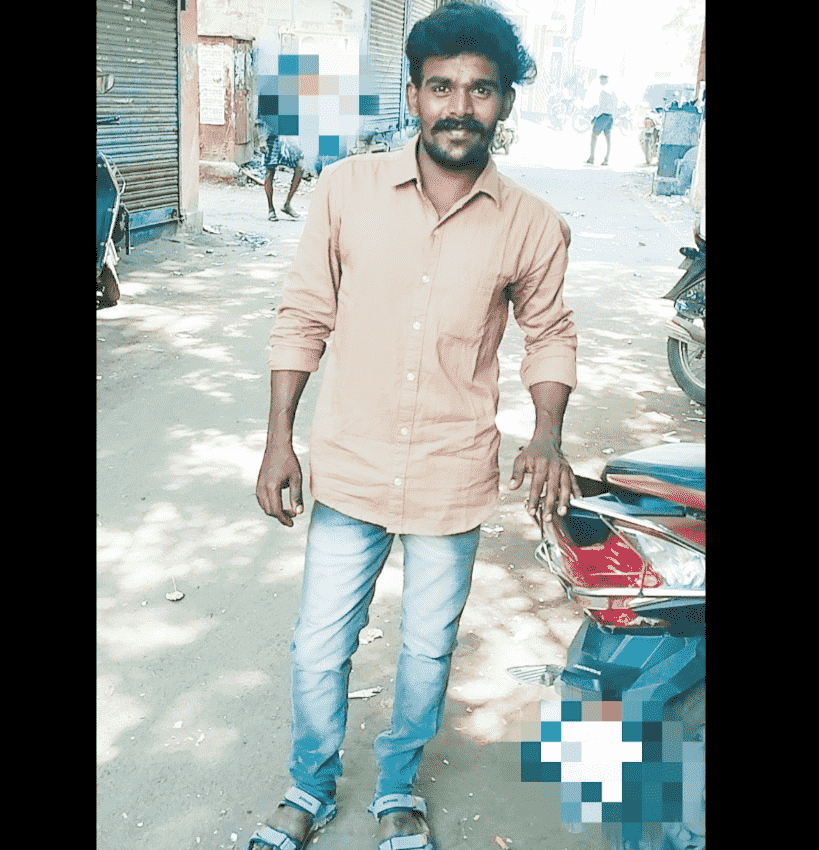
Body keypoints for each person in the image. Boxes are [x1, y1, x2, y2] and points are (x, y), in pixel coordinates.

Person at [251, 3, 580, 849]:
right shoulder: (345, 191)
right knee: (319, 647)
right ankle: (309, 785)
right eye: (442, 87)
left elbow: (550, 332)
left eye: (480, 90)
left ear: (504, 102)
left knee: (428, 650)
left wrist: (547, 432)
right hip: (351, 463)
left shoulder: (533, 224)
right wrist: (279, 439)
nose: (459, 107)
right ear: (413, 95)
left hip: (450, 469)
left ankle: (397, 786)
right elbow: (302, 315)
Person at [260, 123, 305, 221]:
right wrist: (262, 140)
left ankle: (287, 204)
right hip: (272, 137)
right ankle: (271, 209)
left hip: (290, 138)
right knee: (270, 171)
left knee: (300, 167)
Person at [585, 73, 618, 165]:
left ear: (604, 80)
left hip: (602, 116)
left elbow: (601, 107)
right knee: (608, 139)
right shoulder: (613, 90)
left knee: (594, 136)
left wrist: (595, 117)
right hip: (610, 116)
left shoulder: (603, 91)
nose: (600, 81)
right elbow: (616, 104)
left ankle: (592, 158)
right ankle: (606, 159)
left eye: (601, 80)